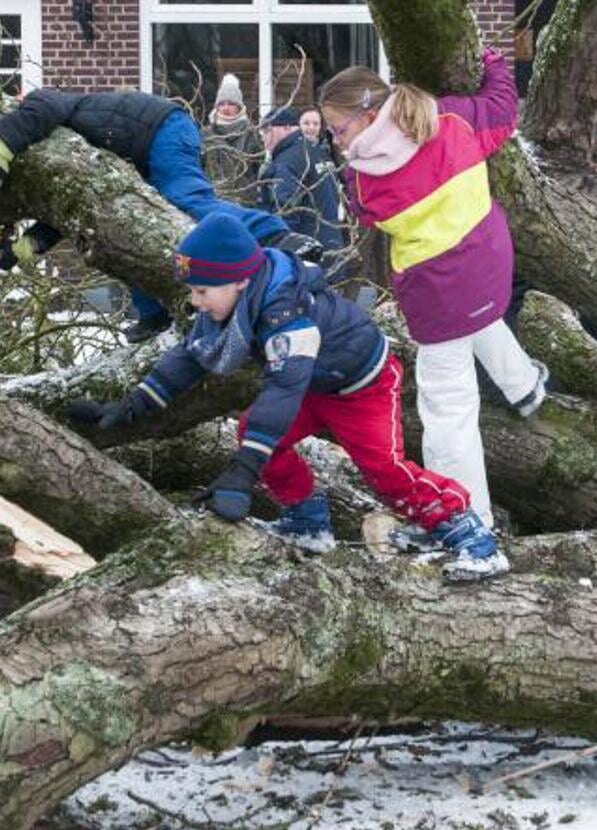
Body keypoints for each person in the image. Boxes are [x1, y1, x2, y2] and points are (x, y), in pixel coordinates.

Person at [67, 213, 508, 581]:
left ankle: (465, 529)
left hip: (361, 385)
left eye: (202, 291)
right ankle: (306, 520)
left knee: (384, 468)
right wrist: (131, 407)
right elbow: (190, 356)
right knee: (254, 433)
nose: (196, 301)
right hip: (313, 382)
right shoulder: (235, 305)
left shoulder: (285, 311)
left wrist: (243, 471)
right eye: (192, 292)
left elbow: (282, 389)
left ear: (237, 280)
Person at [316, 50, 548, 532]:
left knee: (447, 408)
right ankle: (524, 386)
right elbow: (503, 111)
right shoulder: (451, 118)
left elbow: (369, 218)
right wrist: (497, 65)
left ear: (365, 113)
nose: (337, 143)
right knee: (483, 319)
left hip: (435, 290)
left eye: (338, 130)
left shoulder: (360, 181)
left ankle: (464, 515)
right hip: (489, 258)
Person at [0, 85, 315, 342]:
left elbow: (39, 108)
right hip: (146, 151)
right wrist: (19, 251)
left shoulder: (42, 105)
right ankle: (152, 315)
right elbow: (63, 211)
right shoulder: (49, 159)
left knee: (183, 200)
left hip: (161, 130)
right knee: (121, 230)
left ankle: (275, 233)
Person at [258, 106, 346, 271]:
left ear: (287, 128)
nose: (264, 137)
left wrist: (279, 257)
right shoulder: (318, 152)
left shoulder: (287, 162)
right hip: (332, 247)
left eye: (268, 130)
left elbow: (285, 213)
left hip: (307, 255)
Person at [204, 73, 262, 201]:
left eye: (231, 103)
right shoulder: (206, 134)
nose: (225, 108)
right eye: (222, 103)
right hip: (214, 198)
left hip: (245, 200)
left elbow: (258, 167)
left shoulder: (251, 133)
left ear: (239, 106)